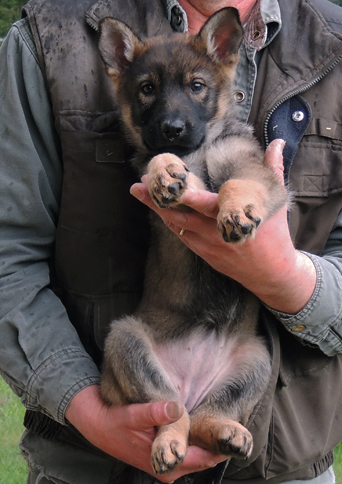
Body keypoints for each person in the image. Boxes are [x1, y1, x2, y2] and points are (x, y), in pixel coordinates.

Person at [1, 0, 342, 482]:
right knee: (127, 339)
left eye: (196, 87)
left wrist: (287, 278)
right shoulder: (47, 33)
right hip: (94, 460)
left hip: (278, 455)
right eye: (148, 91)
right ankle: (174, 424)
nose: (174, 116)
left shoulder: (334, 40)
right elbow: (6, 256)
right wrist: (86, 411)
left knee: (255, 359)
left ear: (223, 62)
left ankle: (206, 420)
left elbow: (255, 182)